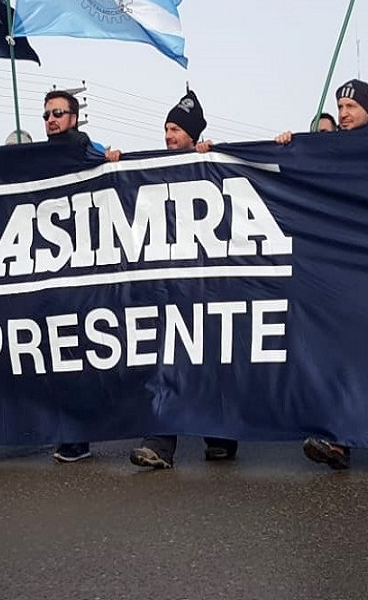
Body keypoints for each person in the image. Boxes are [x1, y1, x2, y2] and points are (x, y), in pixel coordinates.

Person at [276, 79, 368, 469]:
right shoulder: (327, 147)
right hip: (336, 270)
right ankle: (339, 441)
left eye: (351, 106)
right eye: (341, 106)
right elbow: (292, 170)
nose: (345, 113)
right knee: (338, 354)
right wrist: (288, 144)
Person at [128, 89, 238, 469]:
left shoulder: (212, 163)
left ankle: (221, 435)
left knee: (208, 362)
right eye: (166, 129)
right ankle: (159, 444)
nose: (169, 136)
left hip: (206, 288)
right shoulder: (155, 167)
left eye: (175, 129)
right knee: (166, 361)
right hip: (167, 289)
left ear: (192, 134)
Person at [42, 91, 97, 463]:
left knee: (78, 354)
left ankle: (79, 435)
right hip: (48, 268)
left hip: (85, 268)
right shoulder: (36, 158)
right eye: (46, 114)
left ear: (74, 118)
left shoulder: (87, 153)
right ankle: (66, 429)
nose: (51, 119)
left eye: (58, 113)